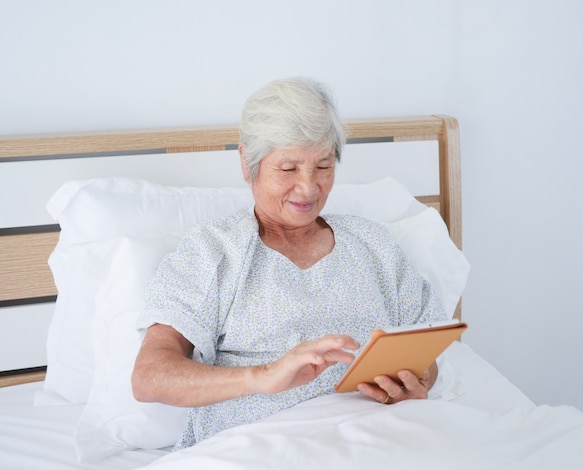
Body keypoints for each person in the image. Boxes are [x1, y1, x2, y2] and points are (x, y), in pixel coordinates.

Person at [131, 77, 448, 450]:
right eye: (288, 169)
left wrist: (414, 379)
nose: (309, 187)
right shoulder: (212, 254)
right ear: (248, 163)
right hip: (260, 446)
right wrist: (265, 376)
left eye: (324, 166)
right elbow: (149, 376)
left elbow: (425, 353)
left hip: (374, 439)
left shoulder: (374, 246)